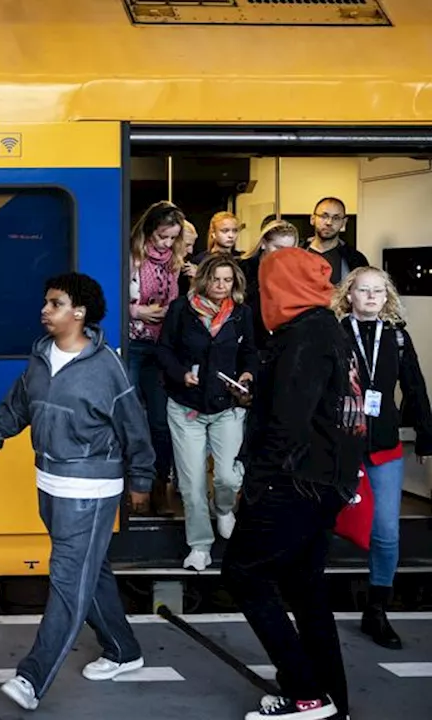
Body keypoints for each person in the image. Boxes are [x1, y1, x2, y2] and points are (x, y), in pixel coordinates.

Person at [0, 272, 154, 712]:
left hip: (91, 488)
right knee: (91, 572)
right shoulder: (39, 359)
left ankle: (33, 678)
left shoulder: (107, 366)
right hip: (50, 484)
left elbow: (134, 425)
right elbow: (20, 406)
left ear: (80, 312)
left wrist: (142, 480)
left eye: (54, 303)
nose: (45, 310)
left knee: (68, 579)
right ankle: (123, 649)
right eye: (46, 302)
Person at [221, 248, 367, 720]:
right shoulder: (330, 331)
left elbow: (290, 423)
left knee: (243, 574)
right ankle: (331, 700)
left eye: (265, 287)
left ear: (282, 289)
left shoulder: (302, 337)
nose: (263, 295)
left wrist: (258, 484)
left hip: (294, 481)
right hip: (326, 480)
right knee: (305, 587)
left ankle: (305, 693)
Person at [333, 267, 432, 650]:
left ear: (386, 297)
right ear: (349, 295)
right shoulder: (335, 334)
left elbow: (415, 387)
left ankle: (376, 610)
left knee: (387, 533)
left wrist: (425, 437)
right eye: (363, 290)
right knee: (322, 524)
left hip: (385, 446)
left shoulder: (397, 338)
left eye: (378, 291)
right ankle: (308, 605)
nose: (371, 297)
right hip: (341, 446)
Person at [157, 254, 258, 571]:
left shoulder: (241, 314)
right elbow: (164, 349)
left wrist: (247, 375)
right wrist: (180, 373)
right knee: (192, 484)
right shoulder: (181, 310)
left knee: (228, 476)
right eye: (215, 279)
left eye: (227, 280)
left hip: (226, 407)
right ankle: (199, 546)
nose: (221, 285)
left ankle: (224, 507)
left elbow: (250, 353)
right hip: (187, 406)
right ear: (203, 280)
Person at [127, 200, 189, 513]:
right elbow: (112, 298)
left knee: (160, 421)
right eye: (162, 236)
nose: (166, 243)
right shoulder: (130, 257)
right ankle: (134, 487)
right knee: (130, 417)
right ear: (149, 230)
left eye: (172, 238)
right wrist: (139, 311)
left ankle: (158, 485)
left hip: (162, 345)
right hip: (133, 343)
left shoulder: (174, 261)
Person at [241, 219, 300, 353]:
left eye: (289, 249)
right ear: (263, 244)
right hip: (246, 343)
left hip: (279, 345)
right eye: (278, 248)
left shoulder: (295, 275)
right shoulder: (242, 269)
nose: (283, 254)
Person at [306, 197, 369, 285]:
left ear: (343, 223)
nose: (329, 222)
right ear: (312, 219)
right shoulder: (296, 252)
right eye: (324, 216)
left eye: (336, 218)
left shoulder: (355, 259)